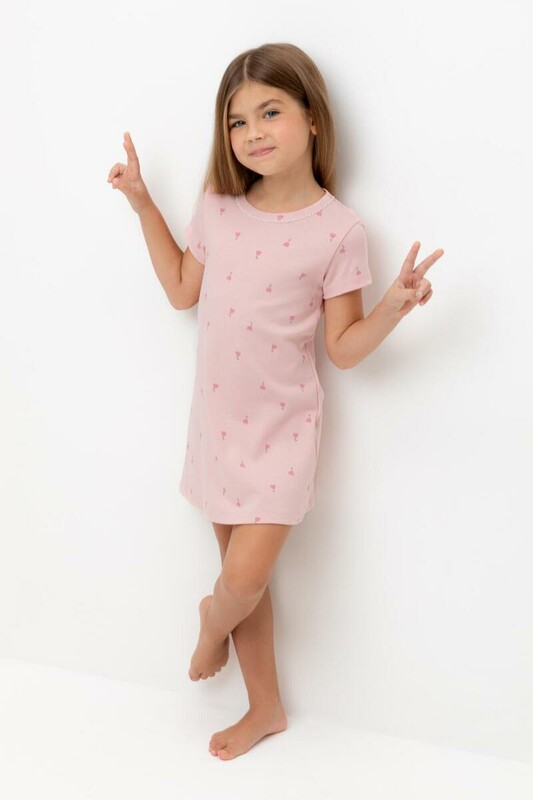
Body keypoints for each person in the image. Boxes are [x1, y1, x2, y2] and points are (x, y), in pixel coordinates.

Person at [107, 42, 444, 761]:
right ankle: (266, 709)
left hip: (282, 435)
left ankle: (210, 622)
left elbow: (343, 348)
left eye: (270, 112)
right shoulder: (220, 206)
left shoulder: (338, 230)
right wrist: (142, 203)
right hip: (217, 425)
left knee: (241, 581)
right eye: (237, 121)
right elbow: (181, 289)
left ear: (312, 117)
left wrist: (392, 306)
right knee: (248, 587)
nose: (253, 132)